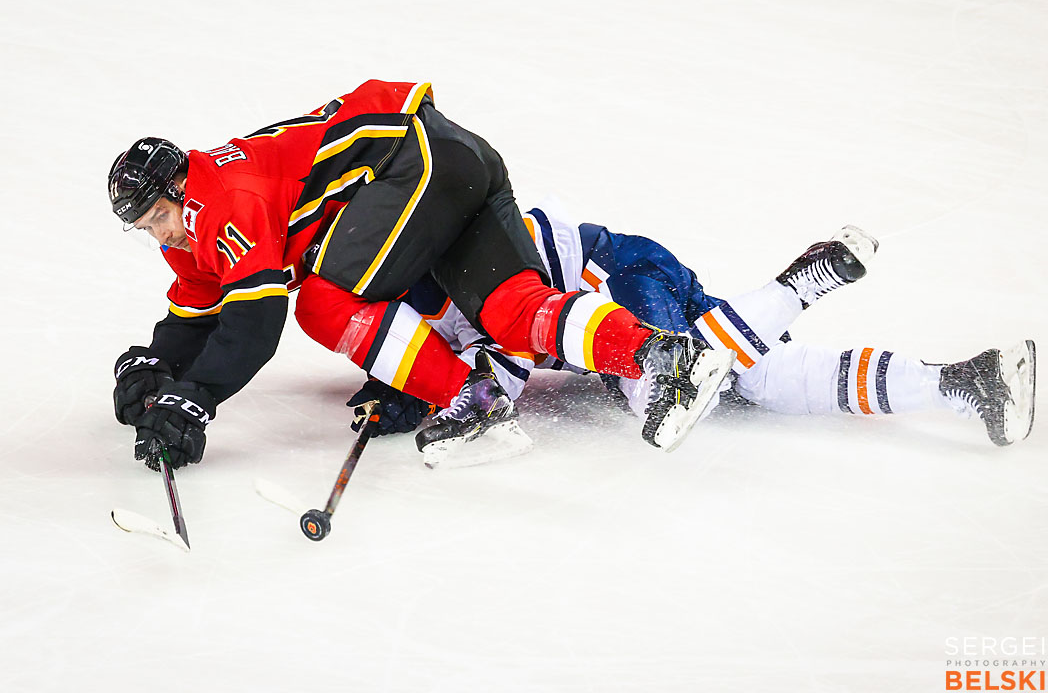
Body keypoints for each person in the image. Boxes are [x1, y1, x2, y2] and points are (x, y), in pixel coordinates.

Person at [107, 80, 739, 471]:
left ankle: (475, 399)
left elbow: (254, 323)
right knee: (516, 309)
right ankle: (663, 355)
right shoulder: (192, 230)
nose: (160, 232)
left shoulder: (220, 199)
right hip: (454, 159)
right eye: (146, 226)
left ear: (180, 185)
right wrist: (158, 370)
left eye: (160, 214)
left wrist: (196, 401)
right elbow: (199, 309)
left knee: (321, 303)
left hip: (414, 163)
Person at [352, 199, 1036, 464]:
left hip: (621, 279)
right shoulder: (410, 279)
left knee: (665, 387)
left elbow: (514, 341)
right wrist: (405, 393)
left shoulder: (438, 267)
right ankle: (964, 382)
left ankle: (796, 285)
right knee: (757, 379)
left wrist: (446, 399)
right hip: (639, 279)